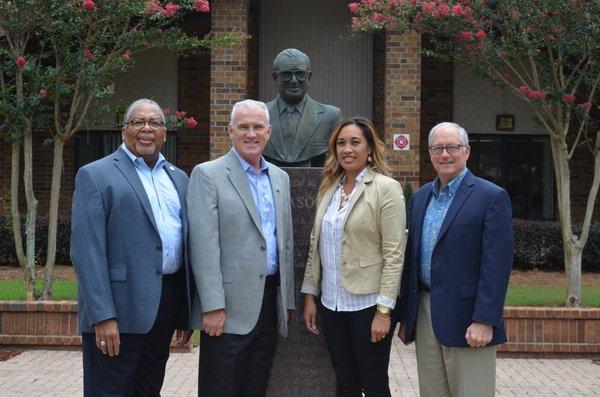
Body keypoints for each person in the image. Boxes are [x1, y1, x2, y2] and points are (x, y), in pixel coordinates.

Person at [70, 98, 192, 396]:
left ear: (165, 132)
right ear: (124, 130)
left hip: (165, 305)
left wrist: (185, 313)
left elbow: (185, 246)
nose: (146, 128)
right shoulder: (96, 175)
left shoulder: (179, 178)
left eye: (155, 122)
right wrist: (103, 315)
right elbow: (87, 251)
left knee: (149, 390)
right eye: (138, 122)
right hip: (119, 311)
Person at [397, 122, 514, 397]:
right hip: (426, 313)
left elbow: (497, 265)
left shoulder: (491, 196)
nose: (445, 154)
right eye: (438, 148)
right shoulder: (421, 196)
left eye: (452, 147)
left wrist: (485, 319)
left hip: (469, 319)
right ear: (430, 153)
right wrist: (408, 317)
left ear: (467, 151)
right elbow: (411, 261)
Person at [187, 99, 294, 396]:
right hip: (227, 309)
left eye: (258, 127)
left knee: (255, 388)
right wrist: (212, 306)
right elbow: (203, 245)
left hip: (268, 302)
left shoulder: (280, 178)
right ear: (230, 131)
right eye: (244, 127)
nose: (251, 133)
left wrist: (285, 300)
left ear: (268, 131)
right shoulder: (208, 174)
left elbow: (283, 243)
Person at [302, 116, 406, 396]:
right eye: (341, 143)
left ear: (370, 149)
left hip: (368, 305)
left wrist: (384, 312)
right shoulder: (329, 188)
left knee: (373, 383)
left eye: (355, 142)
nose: (347, 149)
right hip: (331, 304)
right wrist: (310, 295)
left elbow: (394, 255)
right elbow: (317, 245)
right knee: (345, 381)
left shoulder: (386, 188)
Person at [263, 48, 342, 167]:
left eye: (300, 74)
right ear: (275, 78)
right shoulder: (259, 115)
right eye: (286, 74)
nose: (294, 80)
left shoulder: (331, 116)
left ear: (309, 77)